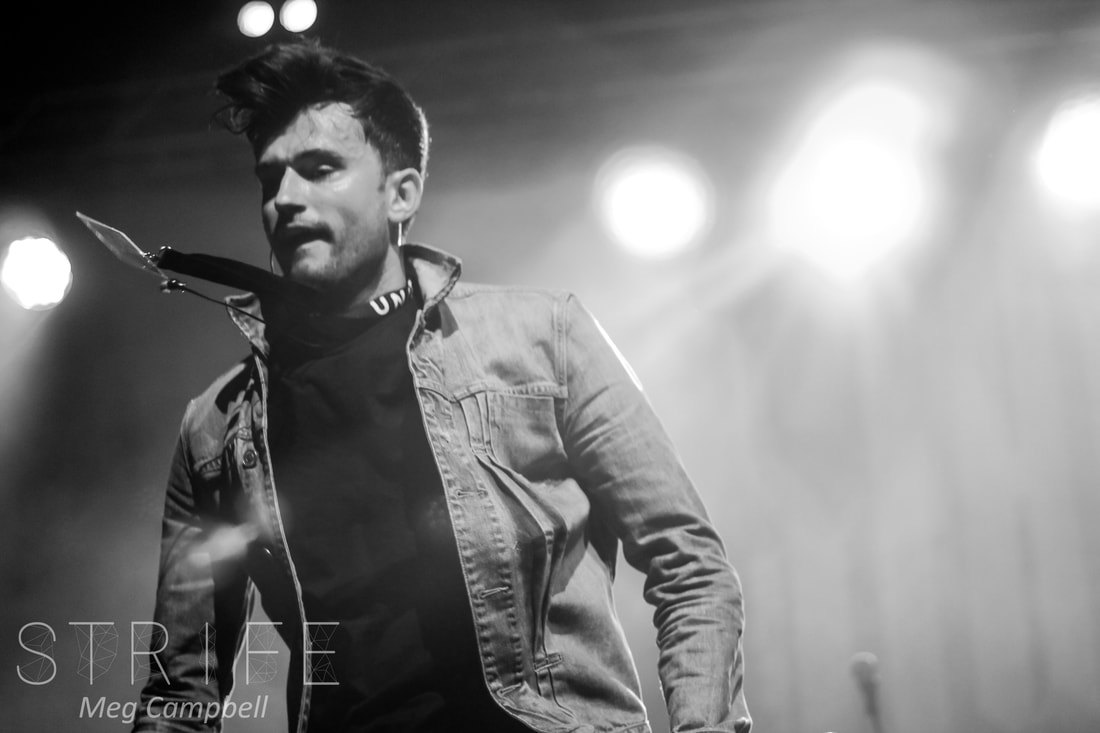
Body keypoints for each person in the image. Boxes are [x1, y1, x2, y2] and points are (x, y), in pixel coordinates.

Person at [132, 39, 750, 733]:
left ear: (402, 193)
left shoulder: (545, 335)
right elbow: (179, 692)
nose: (286, 199)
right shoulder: (216, 427)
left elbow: (691, 566)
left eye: (320, 169)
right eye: (269, 179)